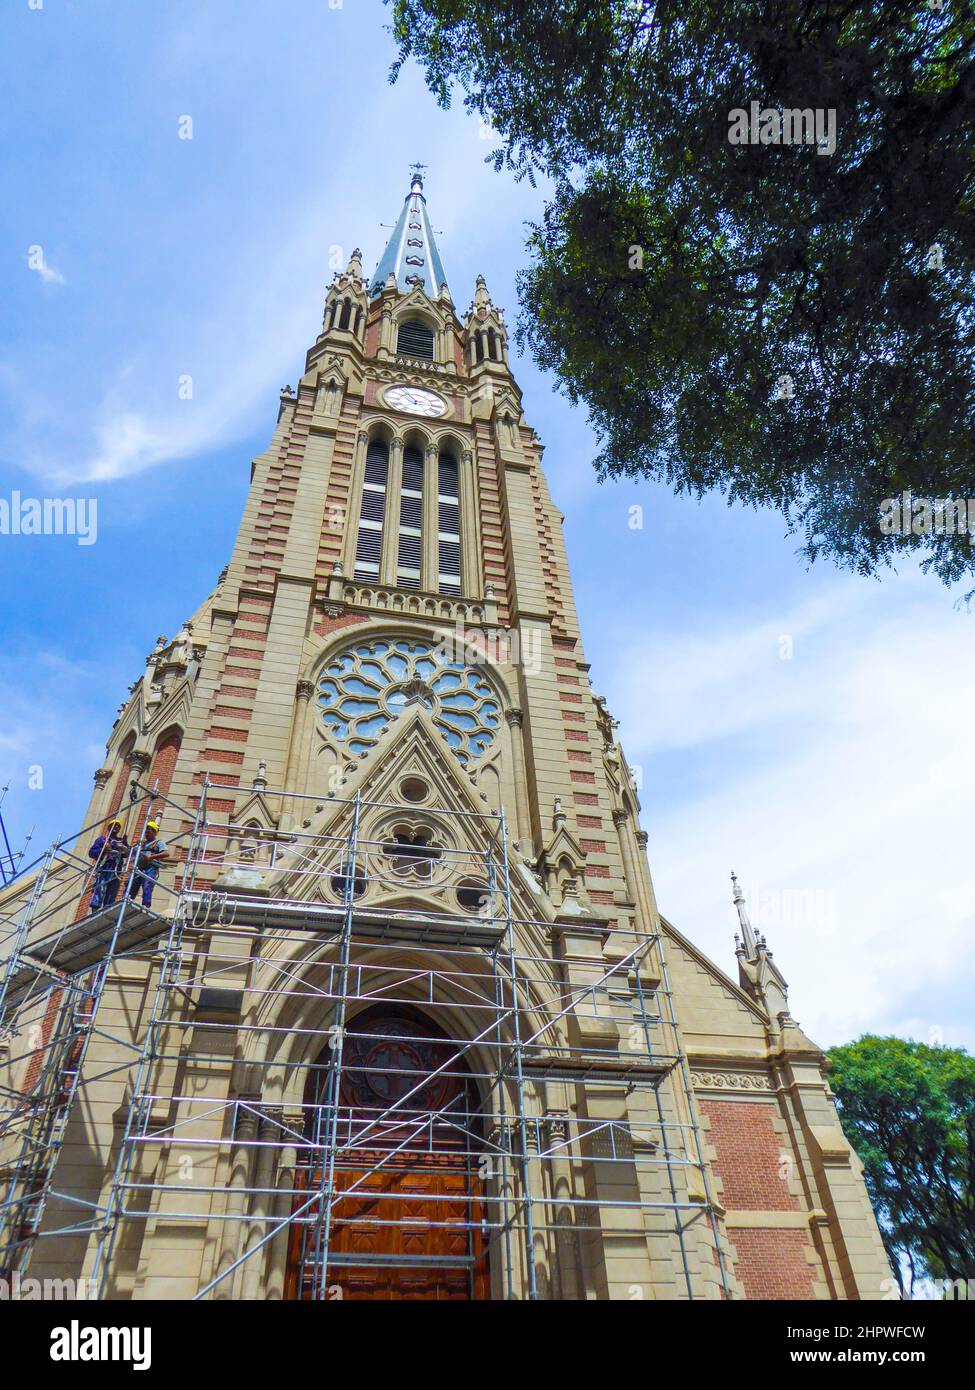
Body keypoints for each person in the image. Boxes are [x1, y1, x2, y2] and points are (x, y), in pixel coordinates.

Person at [88, 819, 130, 912]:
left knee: (112, 891)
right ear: (109, 827)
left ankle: (107, 910)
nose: (116, 827)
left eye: (118, 826)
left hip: (116, 870)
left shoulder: (120, 841)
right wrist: (104, 849)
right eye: (114, 825)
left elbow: (127, 854)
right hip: (105, 867)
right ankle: (95, 909)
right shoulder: (102, 840)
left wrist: (124, 845)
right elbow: (91, 853)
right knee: (100, 889)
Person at [130, 820, 168, 909]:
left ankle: (146, 906)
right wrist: (137, 844)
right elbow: (131, 852)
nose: (147, 834)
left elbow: (166, 853)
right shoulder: (142, 843)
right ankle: (128, 900)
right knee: (132, 883)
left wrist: (151, 857)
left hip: (150, 868)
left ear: (154, 832)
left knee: (147, 885)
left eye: (149, 832)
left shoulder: (158, 842)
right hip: (139, 867)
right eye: (146, 832)